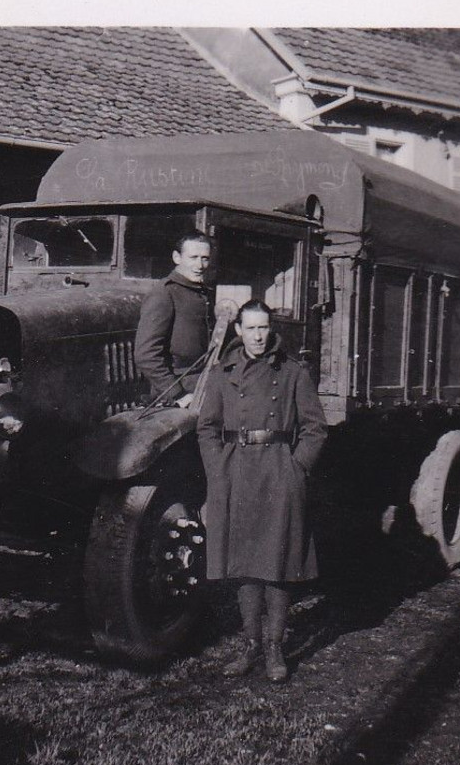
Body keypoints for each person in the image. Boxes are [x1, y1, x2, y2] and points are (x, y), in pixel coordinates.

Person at [197, 299, 327, 683]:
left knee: (278, 565)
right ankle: (251, 644)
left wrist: (296, 467)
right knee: (244, 566)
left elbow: (315, 428)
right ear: (238, 330)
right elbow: (207, 428)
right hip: (236, 471)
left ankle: (275, 647)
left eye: (263, 327)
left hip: (278, 472)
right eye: (250, 328)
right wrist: (218, 470)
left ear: (271, 329)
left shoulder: (292, 372)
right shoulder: (224, 373)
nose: (258, 335)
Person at [134, 231, 212, 409]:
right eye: (193, 257)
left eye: (205, 258)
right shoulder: (164, 292)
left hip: (202, 388)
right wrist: (177, 395)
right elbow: (145, 355)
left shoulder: (201, 292)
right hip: (178, 394)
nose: (200, 265)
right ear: (177, 257)